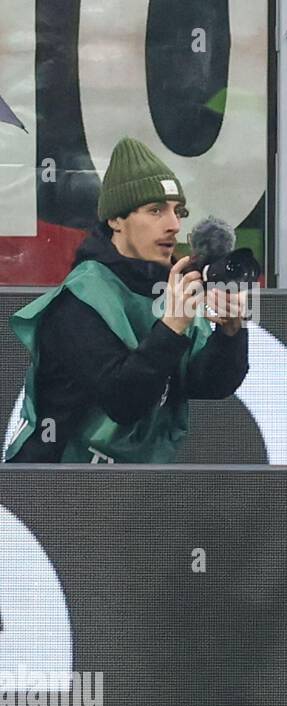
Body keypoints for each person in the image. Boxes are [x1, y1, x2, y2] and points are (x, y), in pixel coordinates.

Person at [4, 137, 249, 464]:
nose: (174, 225)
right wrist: (172, 326)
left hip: (130, 488)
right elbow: (123, 401)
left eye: (179, 212)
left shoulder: (170, 285)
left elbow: (208, 384)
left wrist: (229, 336)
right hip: (55, 488)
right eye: (156, 210)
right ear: (116, 220)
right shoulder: (80, 300)